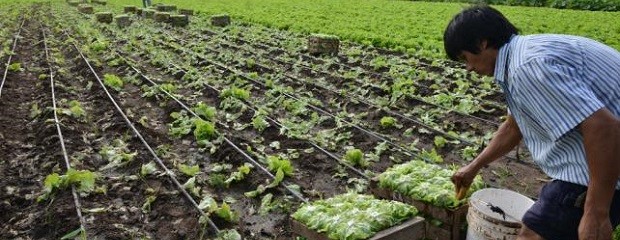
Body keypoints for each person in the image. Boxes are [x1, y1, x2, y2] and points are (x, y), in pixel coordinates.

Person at [444, 5, 620, 240]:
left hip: (607, 159)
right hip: (605, 153)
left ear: (482, 43)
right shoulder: (521, 56)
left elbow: (604, 128)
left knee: (533, 234)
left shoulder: (526, 68)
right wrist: (474, 167)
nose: (468, 68)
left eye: (466, 57)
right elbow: (514, 127)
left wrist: (596, 212)